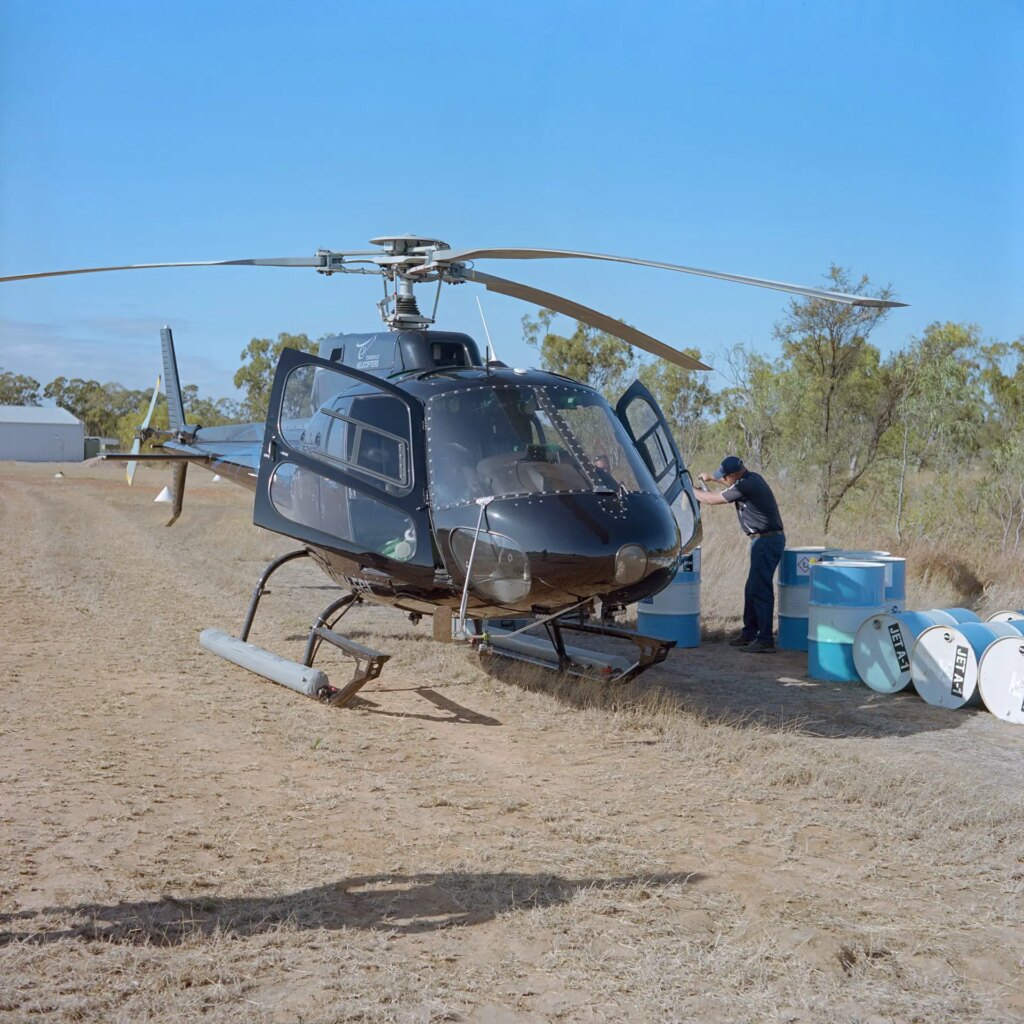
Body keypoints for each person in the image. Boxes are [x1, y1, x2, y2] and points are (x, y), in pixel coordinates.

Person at [694, 455, 785, 653]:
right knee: (751, 587)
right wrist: (711, 477)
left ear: (734, 475)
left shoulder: (745, 486)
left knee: (761, 590)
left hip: (766, 541)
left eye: (725, 477)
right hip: (764, 540)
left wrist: (690, 491)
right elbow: (729, 484)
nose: (723, 479)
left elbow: (713, 499)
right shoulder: (750, 478)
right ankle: (750, 633)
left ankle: (765, 640)